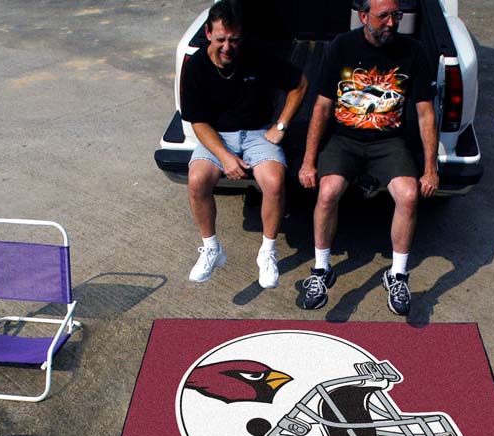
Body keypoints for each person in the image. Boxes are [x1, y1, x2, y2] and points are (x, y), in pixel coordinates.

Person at [297, 0, 439, 315]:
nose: (392, 22)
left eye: (397, 15)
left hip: (389, 142)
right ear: (363, 16)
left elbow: (426, 114)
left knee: (409, 195)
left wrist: (431, 169)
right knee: (328, 191)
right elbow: (321, 107)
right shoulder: (341, 47)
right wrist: (309, 161)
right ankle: (322, 271)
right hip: (344, 139)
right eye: (384, 16)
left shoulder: (413, 51)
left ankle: (398, 275)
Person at [181, 0, 308, 288]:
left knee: (274, 183)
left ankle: (267, 252)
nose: (228, 47)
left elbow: (299, 85)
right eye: (221, 39)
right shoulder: (197, 66)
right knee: (197, 180)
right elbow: (198, 122)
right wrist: (225, 157)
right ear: (208, 33)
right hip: (216, 135)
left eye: (234, 40)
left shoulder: (258, 55)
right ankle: (212, 248)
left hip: (257, 133)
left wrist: (281, 126)